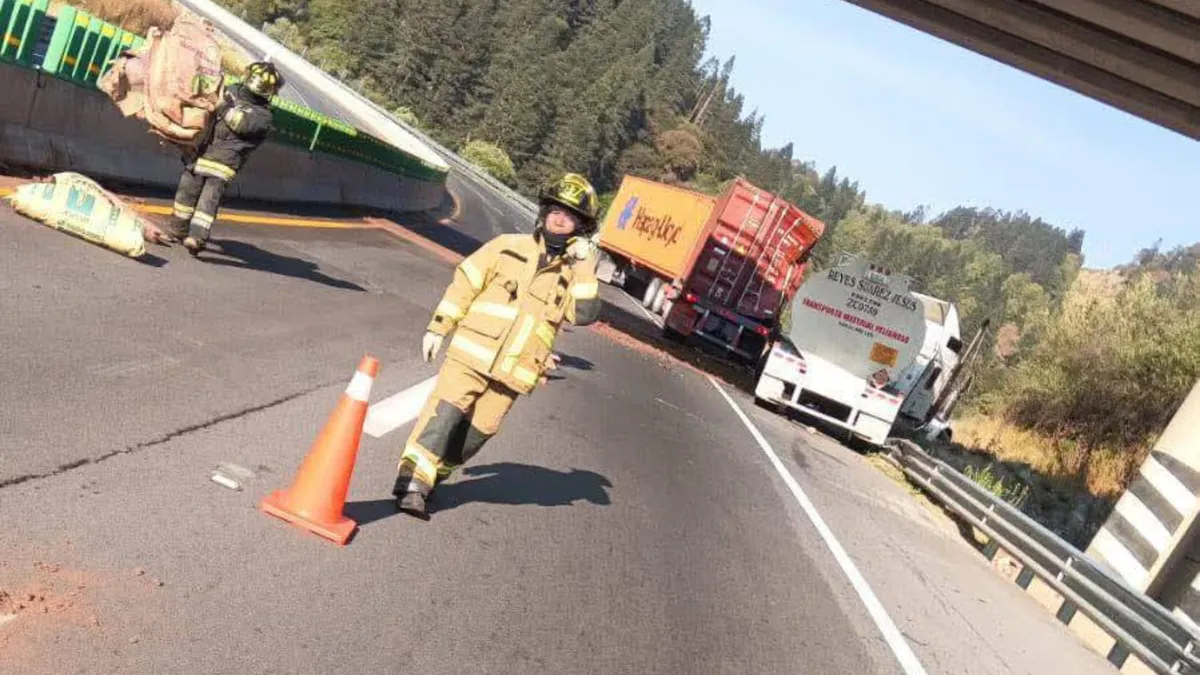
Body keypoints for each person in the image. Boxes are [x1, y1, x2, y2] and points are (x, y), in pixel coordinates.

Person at [392, 173, 604, 519]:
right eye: (555, 209)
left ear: (581, 228)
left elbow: (584, 314)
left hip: (514, 374)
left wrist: (584, 267)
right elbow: (466, 283)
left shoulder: (573, 274)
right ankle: (413, 483)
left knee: (476, 435)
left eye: (571, 216)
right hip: (471, 356)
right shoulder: (507, 247)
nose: (560, 218)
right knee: (444, 417)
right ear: (544, 212)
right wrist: (439, 326)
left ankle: (437, 475)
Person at [162, 60, 282, 255]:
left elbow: (240, 124)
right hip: (202, 152)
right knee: (186, 192)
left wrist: (222, 106)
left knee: (207, 200)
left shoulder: (263, 116)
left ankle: (197, 238)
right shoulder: (231, 91)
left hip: (224, 162)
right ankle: (178, 230)